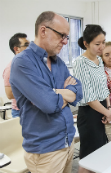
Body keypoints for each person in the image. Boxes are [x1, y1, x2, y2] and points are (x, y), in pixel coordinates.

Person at [9, 11, 83, 173]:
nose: (65, 42)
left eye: (67, 37)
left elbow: (78, 89)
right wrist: (63, 94)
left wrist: (55, 92)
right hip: (46, 151)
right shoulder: (22, 63)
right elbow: (49, 104)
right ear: (43, 31)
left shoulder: (58, 62)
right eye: (61, 35)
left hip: (67, 142)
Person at [73, 25, 111, 173]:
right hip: (89, 113)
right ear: (86, 43)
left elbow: (104, 87)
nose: (102, 47)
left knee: (99, 153)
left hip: (101, 109)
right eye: (97, 44)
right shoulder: (80, 62)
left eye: (103, 42)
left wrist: (108, 108)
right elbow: (88, 97)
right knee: (88, 157)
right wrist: (107, 112)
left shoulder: (99, 60)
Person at [2, 33, 30, 118]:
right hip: (21, 112)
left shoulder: (29, 65)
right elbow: (9, 94)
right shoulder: (10, 68)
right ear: (16, 49)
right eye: (26, 45)